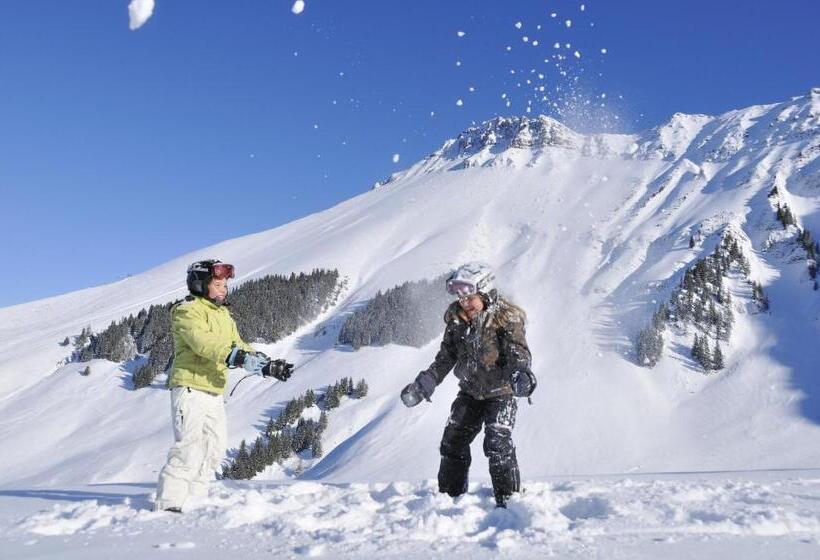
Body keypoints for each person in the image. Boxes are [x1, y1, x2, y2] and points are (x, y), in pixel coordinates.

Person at [155, 259, 294, 513]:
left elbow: (239, 345)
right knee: (189, 446)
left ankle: (195, 498)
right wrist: (237, 357)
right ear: (200, 284)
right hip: (190, 387)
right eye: (218, 284)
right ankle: (169, 503)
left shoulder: (224, 315)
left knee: (214, 449)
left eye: (225, 284)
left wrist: (266, 364)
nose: (224, 289)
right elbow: (203, 343)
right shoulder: (186, 311)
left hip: (213, 390)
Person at [401, 262, 537, 508]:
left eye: (470, 298)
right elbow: (446, 358)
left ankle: (509, 501)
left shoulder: (506, 317)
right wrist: (424, 384)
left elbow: (518, 351)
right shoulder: (457, 321)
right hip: (471, 392)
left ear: (485, 292)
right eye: (460, 298)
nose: (464, 303)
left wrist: (520, 373)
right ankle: (450, 499)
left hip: (501, 393)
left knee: (497, 443)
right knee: (452, 441)